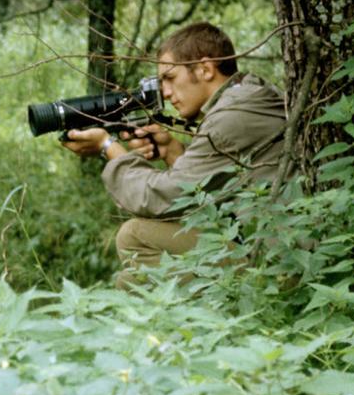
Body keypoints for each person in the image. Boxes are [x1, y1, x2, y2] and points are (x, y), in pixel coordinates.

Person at [63, 22, 287, 266]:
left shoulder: (232, 116)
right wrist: (172, 150)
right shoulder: (246, 95)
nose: (166, 92)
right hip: (272, 245)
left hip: (279, 262)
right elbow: (207, 191)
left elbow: (161, 197)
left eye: (170, 78)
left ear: (205, 69)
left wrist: (109, 148)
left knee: (135, 236)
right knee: (133, 275)